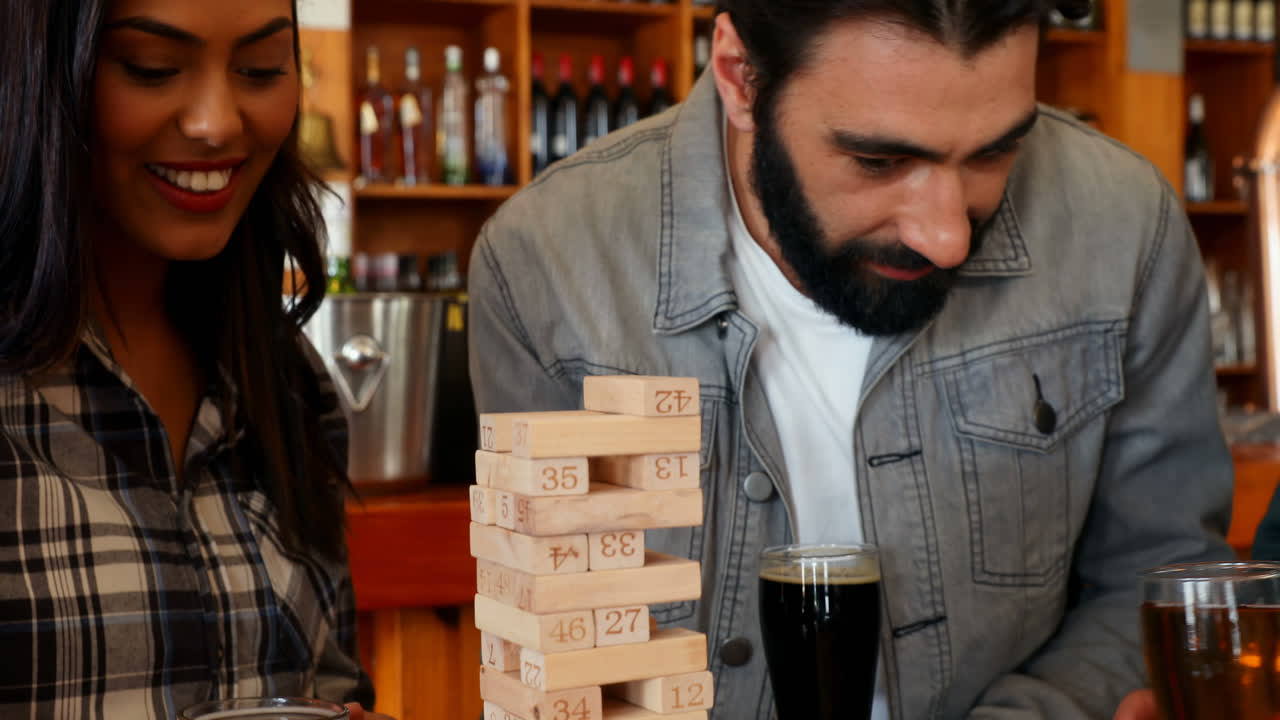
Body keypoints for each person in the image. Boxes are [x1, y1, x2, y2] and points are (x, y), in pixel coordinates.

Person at [467, 0, 1236, 718]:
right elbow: (560, 641)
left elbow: (1158, 576)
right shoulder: (545, 264)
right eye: (877, 160)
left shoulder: (1125, 224)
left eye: (995, 152)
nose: (948, 237)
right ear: (741, 78)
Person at [0, 2, 390, 718]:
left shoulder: (288, 379)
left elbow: (331, 681)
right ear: (45, 75)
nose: (217, 122)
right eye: (152, 69)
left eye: (260, 70)